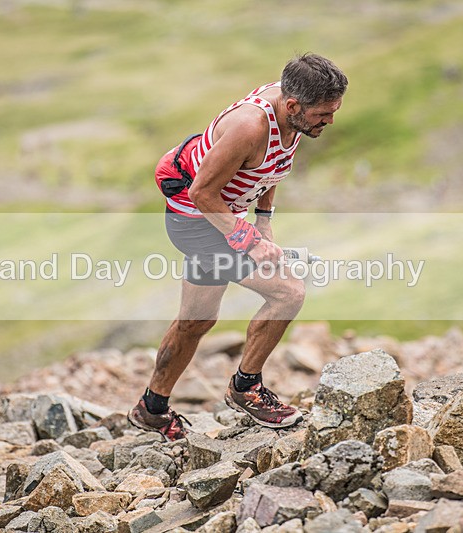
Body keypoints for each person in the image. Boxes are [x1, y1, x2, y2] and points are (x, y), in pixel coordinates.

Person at [128, 54, 348, 440]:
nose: (330, 121)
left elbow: (273, 166)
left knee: (197, 321)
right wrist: (245, 238)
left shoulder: (292, 114)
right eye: (323, 114)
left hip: (219, 216)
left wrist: (263, 220)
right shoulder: (249, 127)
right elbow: (201, 193)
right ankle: (246, 388)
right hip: (196, 220)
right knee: (288, 293)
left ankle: (152, 409)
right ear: (293, 105)